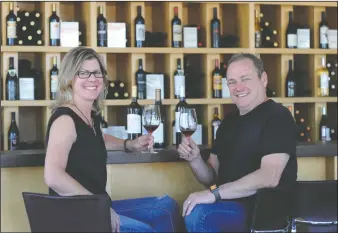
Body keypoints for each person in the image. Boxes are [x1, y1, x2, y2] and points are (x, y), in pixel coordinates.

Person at [44, 47, 182, 232]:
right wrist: (98, 207)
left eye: (97, 72)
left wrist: (128, 144)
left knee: (165, 208)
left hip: (98, 204)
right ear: (69, 79)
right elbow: (53, 176)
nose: (92, 79)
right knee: (144, 230)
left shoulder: (89, 117)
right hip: (77, 214)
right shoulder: (65, 120)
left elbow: (97, 139)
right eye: (83, 73)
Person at [178, 53, 298, 232]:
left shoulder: (278, 117)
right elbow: (211, 177)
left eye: (245, 79)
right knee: (176, 207)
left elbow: (269, 177)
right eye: (232, 82)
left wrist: (214, 195)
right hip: (229, 204)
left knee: (199, 213)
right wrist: (194, 159)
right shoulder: (228, 123)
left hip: (262, 213)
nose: (238, 87)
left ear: (263, 79)